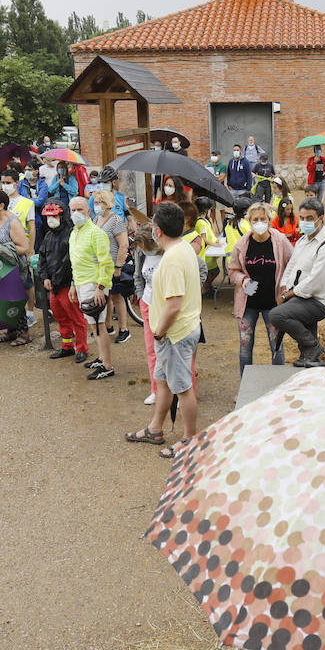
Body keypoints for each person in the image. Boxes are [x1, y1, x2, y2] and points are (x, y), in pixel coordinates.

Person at [125, 202, 203, 459]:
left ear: (158, 231)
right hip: (182, 329)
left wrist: (159, 332)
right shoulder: (185, 248)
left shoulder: (170, 260)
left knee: (183, 387)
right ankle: (155, 428)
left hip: (175, 334)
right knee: (163, 382)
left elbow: (173, 305)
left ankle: (190, 438)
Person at [271, 198, 325, 364]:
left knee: (276, 315)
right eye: (302, 218)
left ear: (321, 218)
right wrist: (283, 287)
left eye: (310, 218)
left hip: (318, 300)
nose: (304, 222)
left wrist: (287, 296)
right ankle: (308, 357)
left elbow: (314, 282)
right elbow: (291, 266)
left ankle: (313, 346)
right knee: (306, 351)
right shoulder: (303, 240)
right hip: (300, 297)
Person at [227, 202, 293, 377]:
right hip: (248, 303)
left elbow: (293, 264)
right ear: (249, 221)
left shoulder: (279, 241)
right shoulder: (243, 244)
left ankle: (278, 385)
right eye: (255, 219)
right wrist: (243, 280)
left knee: (276, 346)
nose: (259, 222)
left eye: (263, 218)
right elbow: (232, 270)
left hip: (274, 303)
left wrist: (286, 287)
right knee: (245, 346)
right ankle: (245, 385)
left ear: (269, 220)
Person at [67, 196, 116, 381]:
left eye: (80, 209)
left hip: (94, 284)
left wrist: (100, 287)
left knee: (99, 325)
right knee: (93, 325)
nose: (76, 213)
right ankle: (102, 357)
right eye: (73, 210)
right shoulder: (74, 233)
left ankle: (108, 365)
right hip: (81, 283)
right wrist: (73, 285)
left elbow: (106, 262)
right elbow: (75, 262)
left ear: (88, 211)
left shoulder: (96, 233)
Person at [0, 188, 33, 346]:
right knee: (2, 300)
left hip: (12, 268)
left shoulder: (13, 221)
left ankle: (24, 333)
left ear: (1, 205)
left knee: (15, 299)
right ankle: (10, 330)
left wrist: (0, 250)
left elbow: (24, 247)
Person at [39, 202, 87, 361]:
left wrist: (59, 280)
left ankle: (82, 349)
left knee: (76, 318)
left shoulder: (72, 234)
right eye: (48, 217)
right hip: (54, 286)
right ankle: (67, 347)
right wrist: (45, 277)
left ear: (61, 215)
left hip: (67, 285)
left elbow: (71, 261)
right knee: (61, 317)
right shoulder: (48, 235)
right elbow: (42, 259)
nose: (51, 219)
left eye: (54, 216)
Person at [92, 189, 131, 347]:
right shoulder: (95, 220)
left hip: (112, 265)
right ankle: (107, 326)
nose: (97, 205)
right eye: (95, 202)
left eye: (100, 202)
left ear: (107, 204)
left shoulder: (115, 220)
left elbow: (124, 244)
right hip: (99, 266)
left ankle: (124, 329)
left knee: (116, 297)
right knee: (105, 297)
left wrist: (118, 266)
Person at [131, 226, 163, 404]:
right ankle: (155, 389)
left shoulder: (170, 253)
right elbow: (138, 275)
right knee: (152, 350)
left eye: (144, 246)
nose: (142, 250)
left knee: (173, 350)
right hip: (148, 303)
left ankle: (179, 391)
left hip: (167, 306)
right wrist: (140, 295)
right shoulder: (141, 253)